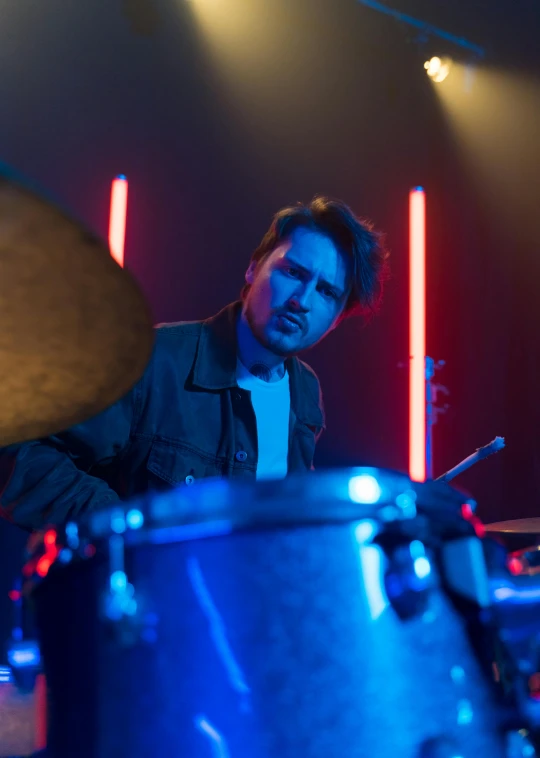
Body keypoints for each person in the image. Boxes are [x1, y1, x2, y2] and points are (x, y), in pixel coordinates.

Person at [0, 195, 389, 530]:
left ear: (337, 317)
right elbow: (23, 454)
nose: (301, 300)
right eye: (292, 272)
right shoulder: (151, 362)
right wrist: (130, 535)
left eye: (325, 291)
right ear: (255, 267)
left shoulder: (305, 394)